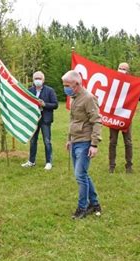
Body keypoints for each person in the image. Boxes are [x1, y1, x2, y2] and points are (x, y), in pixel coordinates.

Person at [62, 70, 103, 219]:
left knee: (80, 175)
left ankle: (82, 208)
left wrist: (94, 144)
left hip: (85, 142)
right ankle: (95, 204)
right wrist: (69, 139)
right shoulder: (74, 97)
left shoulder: (88, 98)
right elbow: (73, 120)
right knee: (83, 175)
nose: (65, 88)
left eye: (67, 85)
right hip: (75, 141)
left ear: (77, 84)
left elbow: (97, 121)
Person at [109, 62, 140, 173]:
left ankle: (129, 166)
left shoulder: (133, 83)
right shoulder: (112, 81)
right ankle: (111, 166)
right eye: (120, 68)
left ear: (128, 71)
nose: (122, 70)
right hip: (114, 115)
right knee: (112, 141)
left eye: (124, 69)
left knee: (128, 142)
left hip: (126, 117)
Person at [21, 71, 58, 170]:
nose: (38, 80)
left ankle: (49, 162)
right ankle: (31, 161)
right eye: (36, 78)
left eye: (39, 78)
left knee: (47, 141)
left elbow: (55, 104)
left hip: (45, 119)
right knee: (33, 141)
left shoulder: (50, 91)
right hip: (33, 120)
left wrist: (45, 104)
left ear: (43, 79)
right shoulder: (29, 91)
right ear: (33, 80)